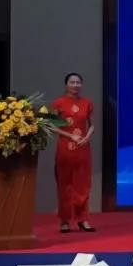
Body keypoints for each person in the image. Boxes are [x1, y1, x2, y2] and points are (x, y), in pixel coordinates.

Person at [50, 73, 96, 233]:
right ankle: (64, 221)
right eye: (72, 82)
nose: (75, 85)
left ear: (81, 85)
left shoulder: (87, 103)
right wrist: (70, 136)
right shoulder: (58, 103)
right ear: (66, 85)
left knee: (83, 185)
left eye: (78, 82)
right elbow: (52, 126)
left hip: (83, 149)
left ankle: (83, 219)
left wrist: (87, 137)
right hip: (65, 149)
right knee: (65, 185)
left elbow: (91, 125)